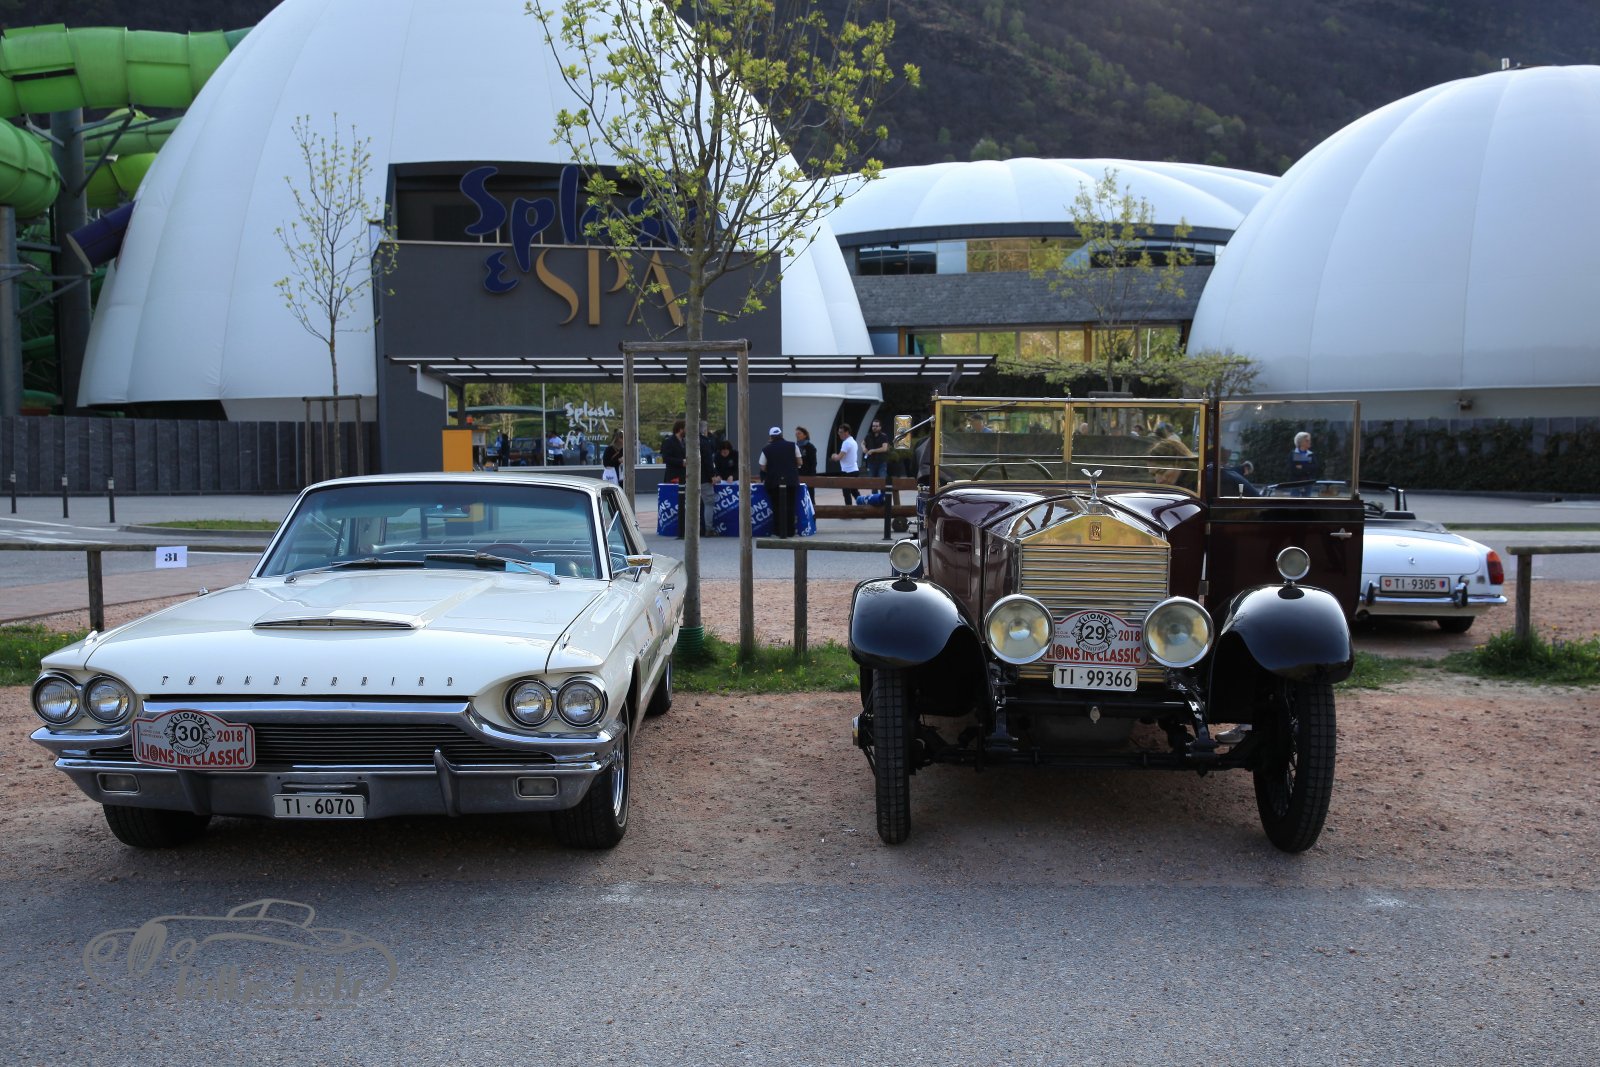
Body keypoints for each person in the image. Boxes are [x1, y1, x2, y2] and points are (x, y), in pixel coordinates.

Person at [759, 425, 799, 537]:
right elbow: (800, 462)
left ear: (771, 437)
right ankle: (790, 531)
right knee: (790, 505)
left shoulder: (766, 449)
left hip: (774, 481)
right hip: (790, 480)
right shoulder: (793, 445)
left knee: (776, 506)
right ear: (781, 435)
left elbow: (762, 466)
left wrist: (772, 469)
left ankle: (778, 530)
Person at [831, 423, 861, 504]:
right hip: (854, 470)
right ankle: (863, 506)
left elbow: (839, 457)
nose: (839, 434)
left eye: (841, 432)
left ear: (847, 432)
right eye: (839, 432)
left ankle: (848, 509)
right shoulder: (853, 441)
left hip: (848, 471)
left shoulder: (846, 443)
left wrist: (833, 456)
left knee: (846, 492)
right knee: (854, 491)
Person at [1289, 431, 1320, 495]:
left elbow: (1315, 467)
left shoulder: (1311, 454)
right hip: (1295, 483)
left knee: (1307, 500)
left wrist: (1302, 467)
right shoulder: (1293, 454)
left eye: (1309, 440)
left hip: (1308, 482)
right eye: (1307, 440)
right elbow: (1293, 469)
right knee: (1294, 500)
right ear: (1301, 442)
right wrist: (1307, 468)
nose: (1309, 442)